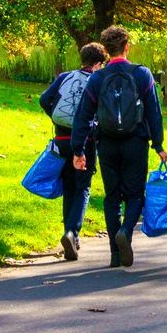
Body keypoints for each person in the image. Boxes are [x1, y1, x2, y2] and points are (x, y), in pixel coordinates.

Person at [70, 26, 167, 268]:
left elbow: (83, 115)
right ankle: (126, 232)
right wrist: (158, 144)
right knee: (135, 195)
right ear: (127, 46)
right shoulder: (142, 74)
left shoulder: (97, 78)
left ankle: (115, 253)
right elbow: (154, 111)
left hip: (107, 143)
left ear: (105, 50)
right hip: (136, 142)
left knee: (112, 197)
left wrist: (78, 149)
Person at [39, 42, 107, 262]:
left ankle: (68, 233)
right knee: (82, 187)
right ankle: (72, 233)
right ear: (98, 63)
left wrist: (56, 117)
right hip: (85, 141)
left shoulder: (65, 76)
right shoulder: (97, 81)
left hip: (61, 139)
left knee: (69, 187)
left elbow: (44, 99)